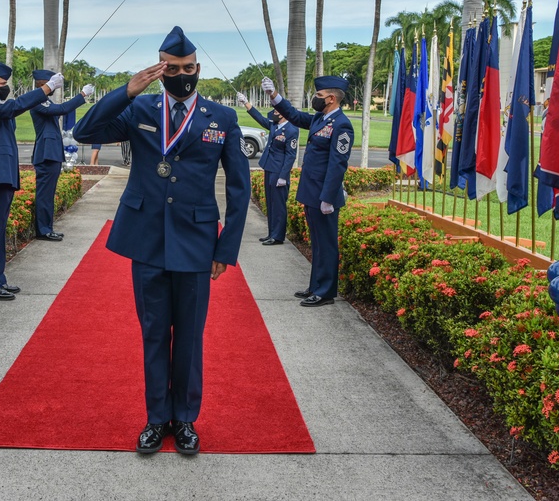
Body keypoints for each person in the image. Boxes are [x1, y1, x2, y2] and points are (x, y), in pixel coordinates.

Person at [74, 25, 250, 456]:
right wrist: (126, 91)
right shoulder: (142, 109)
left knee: (189, 335)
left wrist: (225, 250)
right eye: (171, 68)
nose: (180, 74)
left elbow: (240, 189)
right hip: (147, 239)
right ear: (159, 69)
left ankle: (186, 420)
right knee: (154, 332)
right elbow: (84, 132)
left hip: (196, 241)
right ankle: (156, 419)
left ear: (199, 69)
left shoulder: (221, 119)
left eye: (187, 68)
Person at [0, 61, 63, 301]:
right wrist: (47, 88)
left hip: (1, 178)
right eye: (2, 84)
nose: (6, 87)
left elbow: (11, 109)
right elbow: (15, 106)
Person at [261, 75, 353, 307]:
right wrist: (274, 95)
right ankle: (316, 286)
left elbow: (337, 164)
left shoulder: (341, 125)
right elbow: (293, 115)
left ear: (331, 98)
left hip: (324, 196)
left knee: (326, 243)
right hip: (312, 192)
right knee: (317, 243)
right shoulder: (320, 119)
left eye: (319, 96)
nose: (315, 99)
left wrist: (328, 197)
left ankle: (325, 292)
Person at [29, 70, 94, 241]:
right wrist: (82, 94)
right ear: (42, 83)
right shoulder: (37, 101)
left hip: (51, 153)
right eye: (51, 82)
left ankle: (47, 227)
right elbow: (62, 109)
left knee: (48, 194)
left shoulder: (43, 100)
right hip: (46, 153)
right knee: (44, 195)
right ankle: (43, 230)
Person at [238, 92, 296, 245]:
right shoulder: (274, 125)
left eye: (277, 111)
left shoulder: (291, 130)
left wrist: (284, 176)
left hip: (279, 171)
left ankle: (278, 236)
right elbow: (259, 118)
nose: (274, 113)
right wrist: (246, 103)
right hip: (269, 167)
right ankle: (271, 233)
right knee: (271, 203)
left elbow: (290, 155)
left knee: (278, 205)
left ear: (284, 113)